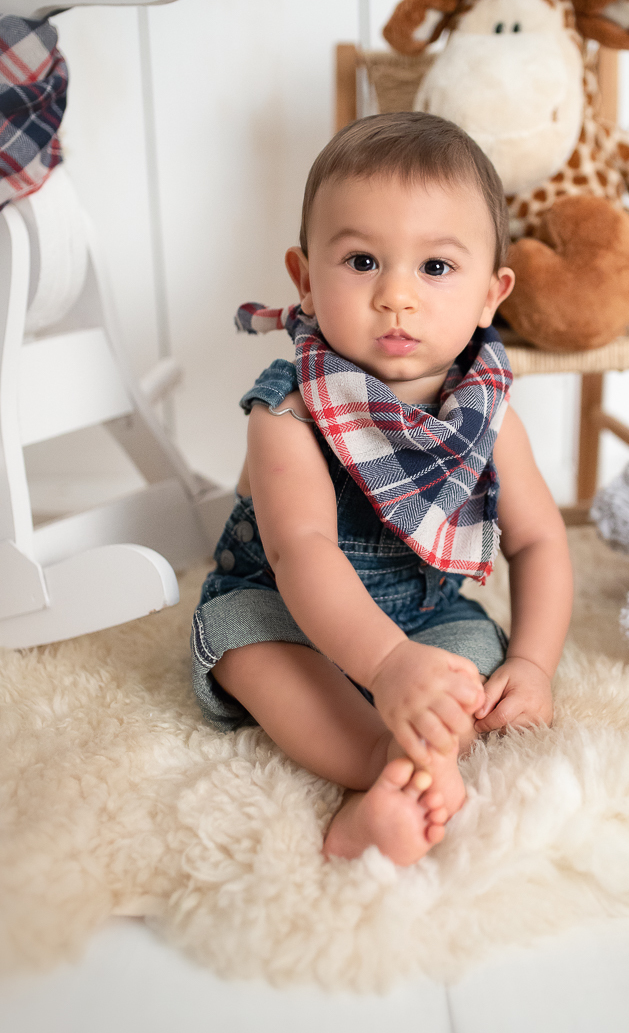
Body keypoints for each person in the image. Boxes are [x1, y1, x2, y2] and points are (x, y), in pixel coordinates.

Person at [191, 112, 573, 867]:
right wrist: (386, 666)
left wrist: (531, 665)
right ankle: (378, 767)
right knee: (244, 643)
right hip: (294, 612)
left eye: (435, 268)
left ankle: (420, 764)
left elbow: (539, 540)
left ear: (491, 295)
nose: (396, 296)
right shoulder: (290, 411)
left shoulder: (486, 416)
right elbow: (302, 553)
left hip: (425, 616)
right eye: (363, 261)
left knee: (470, 671)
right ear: (305, 278)